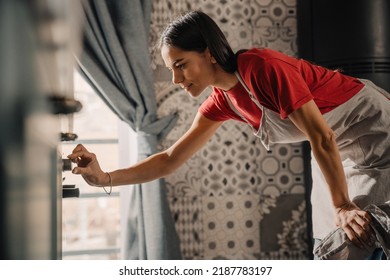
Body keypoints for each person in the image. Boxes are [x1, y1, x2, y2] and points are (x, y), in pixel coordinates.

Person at [68, 10, 390, 259]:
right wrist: (104, 177)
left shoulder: (260, 68)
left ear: (208, 53)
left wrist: (343, 205)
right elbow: (168, 160)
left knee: (361, 235)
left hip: (371, 128)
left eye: (181, 64)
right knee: (332, 243)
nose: (176, 79)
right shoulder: (221, 101)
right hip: (335, 145)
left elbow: (320, 137)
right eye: (171, 69)